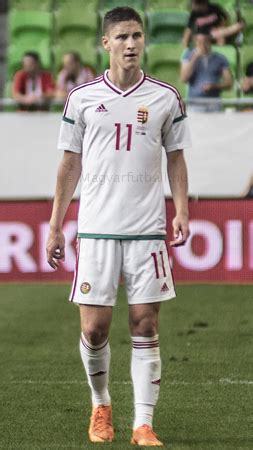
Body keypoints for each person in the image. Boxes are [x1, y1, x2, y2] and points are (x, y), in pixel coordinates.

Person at [47, 6, 191, 447]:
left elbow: (176, 157)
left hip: (148, 231)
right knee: (94, 330)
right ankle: (101, 404)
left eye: (138, 36)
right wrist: (55, 224)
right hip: (95, 231)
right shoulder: (82, 98)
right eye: (123, 37)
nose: (132, 44)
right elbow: (69, 163)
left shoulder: (166, 97)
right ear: (105, 43)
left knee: (145, 325)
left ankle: (143, 424)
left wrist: (181, 210)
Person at [181, 32, 233, 112]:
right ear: (195, 41)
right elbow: (184, 78)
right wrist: (194, 57)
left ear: (210, 41)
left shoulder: (220, 58)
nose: (203, 44)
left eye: (205, 41)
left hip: (214, 102)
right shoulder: (188, 55)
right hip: (195, 103)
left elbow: (229, 84)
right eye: (199, 41)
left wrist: (214, 86)